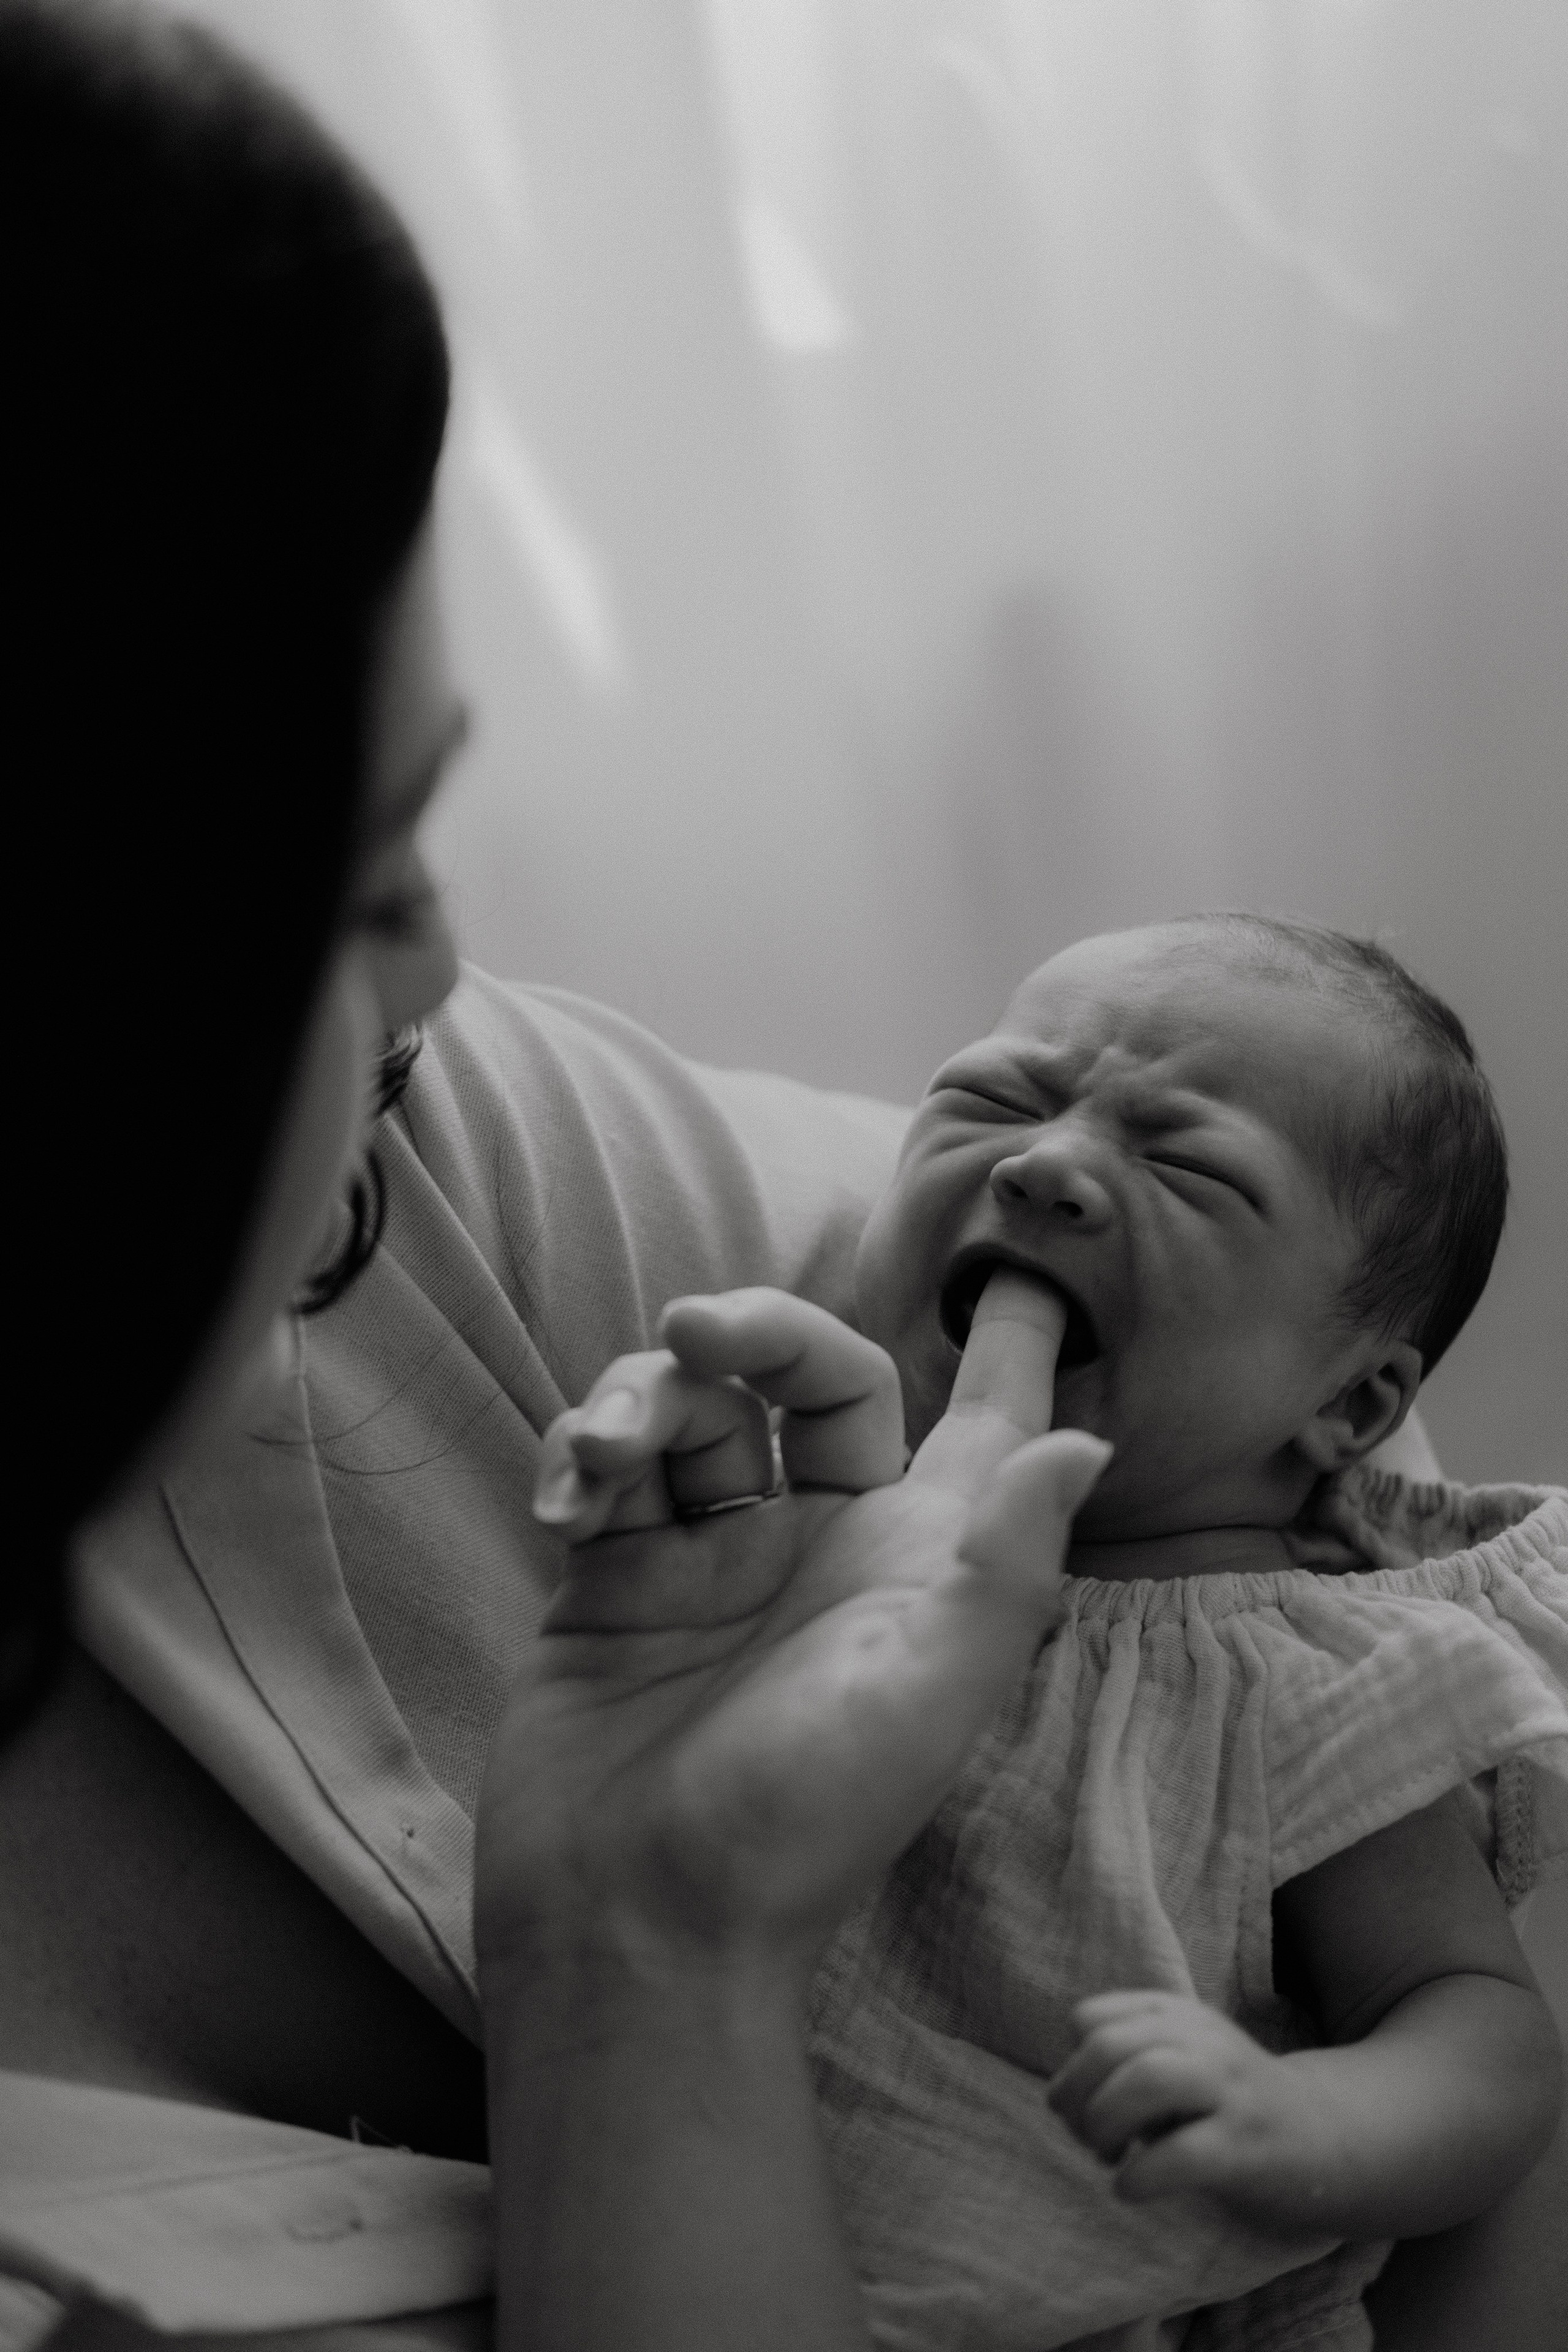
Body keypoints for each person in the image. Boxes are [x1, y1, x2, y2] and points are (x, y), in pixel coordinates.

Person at [2, 7, 1562, 2350]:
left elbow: (1481, 2003)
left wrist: (1315, 2136)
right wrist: (659, 1934)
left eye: (435, 821)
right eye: (348, 880)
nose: (448, 964)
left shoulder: (1235, 1609)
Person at [538, 913, 1567, 2348]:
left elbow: (1482, 2036)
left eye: (1187, 1164)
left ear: (1346, 1406)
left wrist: (1300, 2116)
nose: (1041, 1164)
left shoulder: (1292, 1673)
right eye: (990, 1099)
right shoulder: (797, 1523)